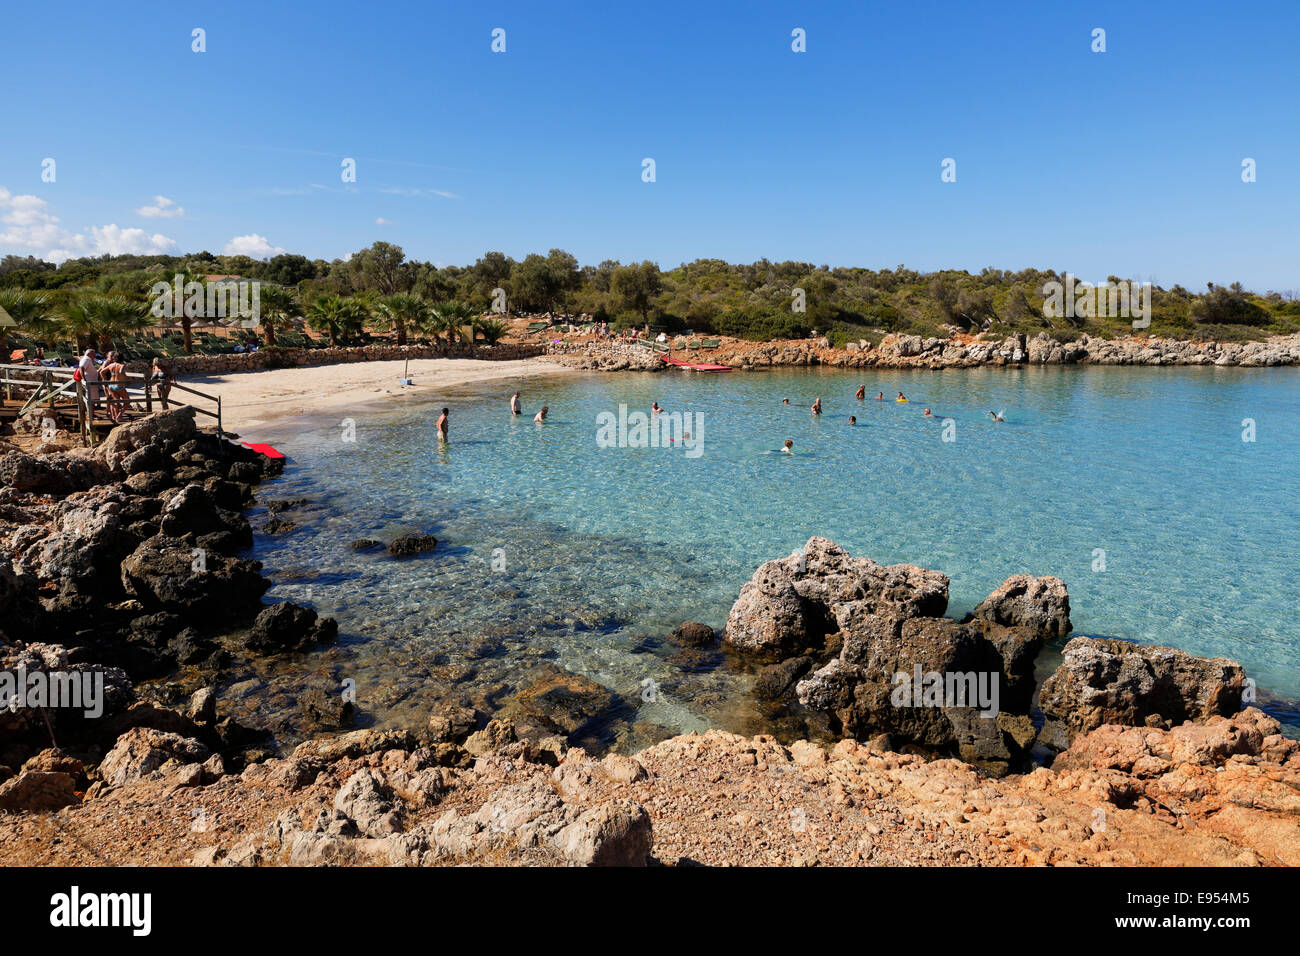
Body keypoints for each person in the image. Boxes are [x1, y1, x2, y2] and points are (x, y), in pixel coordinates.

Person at [101, 351, 130, 423]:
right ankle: (119, 416)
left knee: (116, 402)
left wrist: (105, 380)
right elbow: (121, 372)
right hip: (119, 385)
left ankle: (116, 417)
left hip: (111, 385)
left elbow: (102, 372)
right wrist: (129, 379)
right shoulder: (122, 365)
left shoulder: (112, 365)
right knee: (127, 401)